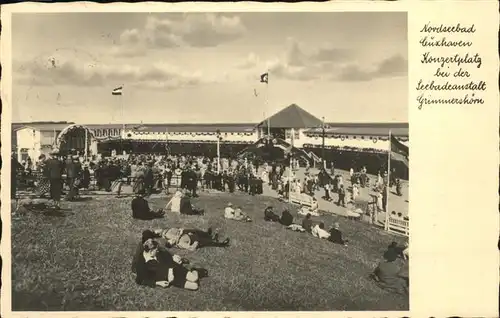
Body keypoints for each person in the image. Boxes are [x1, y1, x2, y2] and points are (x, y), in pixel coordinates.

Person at [133, 235, 208, 290]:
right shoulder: (142, 262)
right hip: (169, 279)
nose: (158, 251)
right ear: (150, 251)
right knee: (195, 286)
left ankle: (194, 269)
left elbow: (170, 261)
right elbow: (140, 280)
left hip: (175, 269)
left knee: (194, 278)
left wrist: (170, 271)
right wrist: (158, 283)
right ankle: (192, 272)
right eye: (156, 250)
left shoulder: (160, 253)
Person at [159, 227, 230, 251]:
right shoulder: (181, 244)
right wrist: (196, 241)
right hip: (194, 240)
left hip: (189, 235)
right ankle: (222, 244)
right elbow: (191, 248)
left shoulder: (173, 239)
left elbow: (173, 232)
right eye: (172, 242)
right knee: (207, 242)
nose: (172, 240)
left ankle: (207, 234)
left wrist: (181, 232)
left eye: (171, 240)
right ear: (172, 245)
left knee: (194, 230)